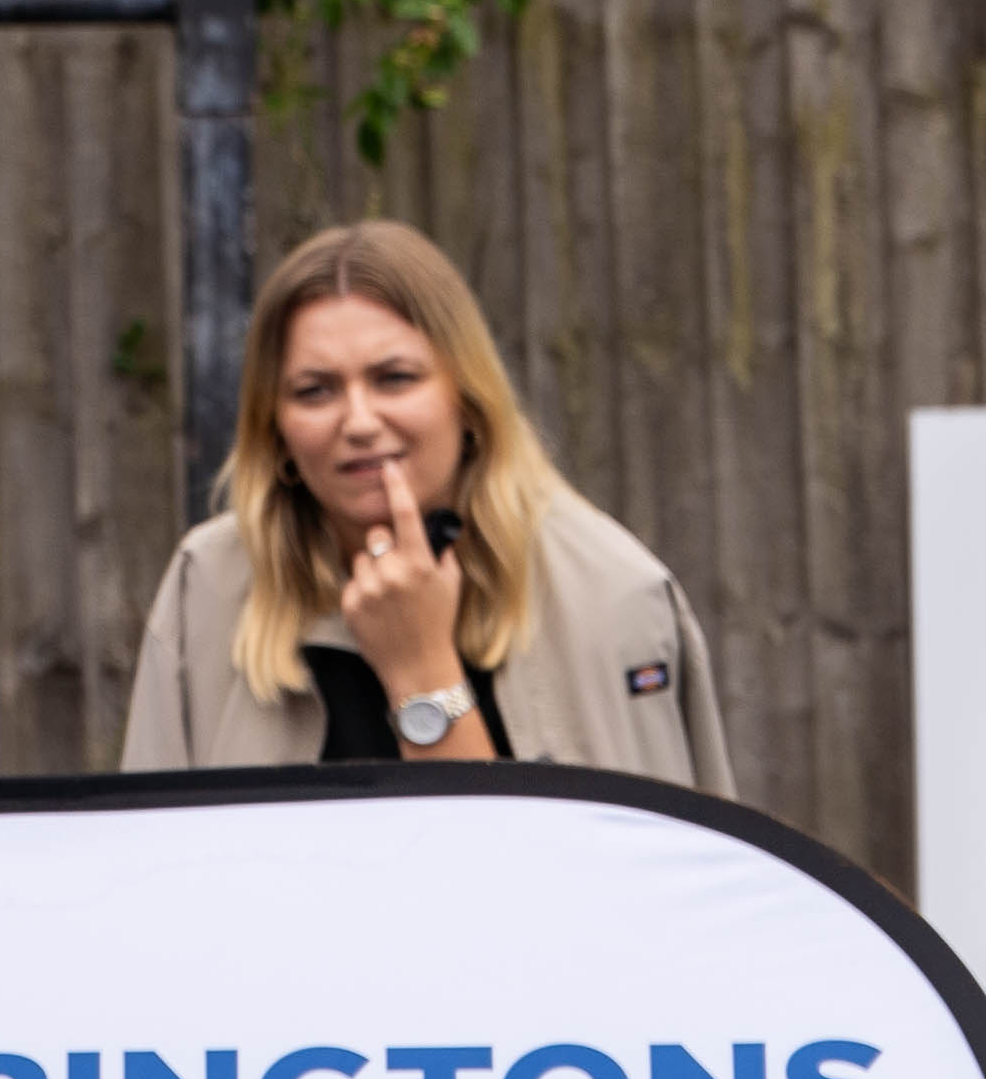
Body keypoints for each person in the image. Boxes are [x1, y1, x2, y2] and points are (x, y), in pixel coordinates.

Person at [121, 218, 732, 785]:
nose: (359, 421)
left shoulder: (611, 593)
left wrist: (422, 676)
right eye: (315, 391)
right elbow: (146, 853)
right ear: (274, 428)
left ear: (467, 398)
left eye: (395, 378)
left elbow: (664, 862)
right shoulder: (205, 588)